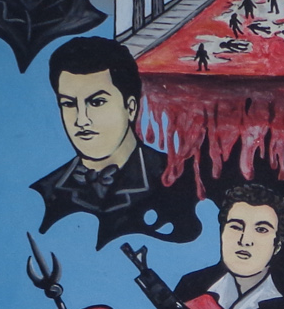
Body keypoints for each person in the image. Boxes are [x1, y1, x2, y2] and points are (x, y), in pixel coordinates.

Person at [30, 37, 203, 249]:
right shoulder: (44, 193)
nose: (81, 120)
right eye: (68, 104)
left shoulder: (183, 180)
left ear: (130, 108)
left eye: (97, 102)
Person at [173, 184, 284, 309]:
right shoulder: (191, 286)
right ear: (222, 232)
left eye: (261, 230)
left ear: (277, 244)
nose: (245, 240)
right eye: (236, 227)